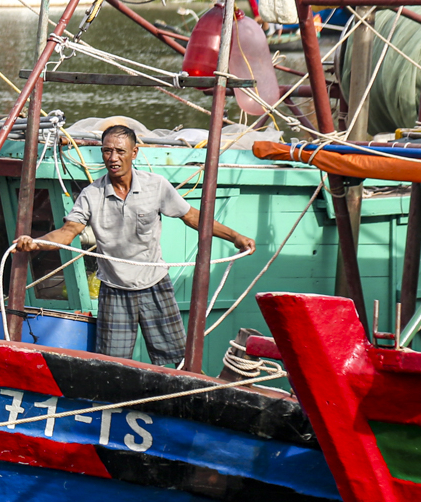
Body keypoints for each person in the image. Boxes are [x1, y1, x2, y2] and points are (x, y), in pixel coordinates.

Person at [18, 124, 254, 367]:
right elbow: (67, 234)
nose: (113, 158)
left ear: (135, 152)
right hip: (114, 289)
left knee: (177, 362)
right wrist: (34, 243)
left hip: (155, 285)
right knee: (112, 366)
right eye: (107, 151)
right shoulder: (91, 194)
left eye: (120, 151)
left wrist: (235, 237)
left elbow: (194, 217)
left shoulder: (156, 185)